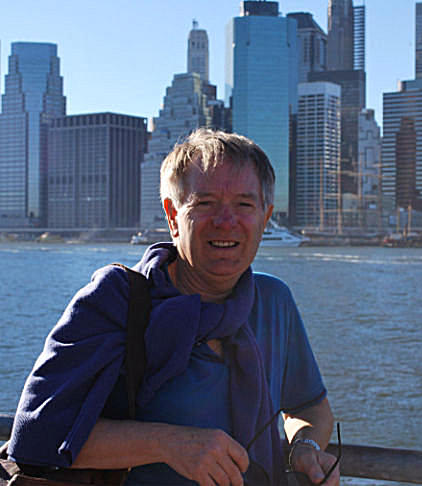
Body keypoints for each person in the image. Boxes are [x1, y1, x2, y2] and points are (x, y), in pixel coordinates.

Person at [8, 129, 339, 486]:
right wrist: (169, 444)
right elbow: (34, 436)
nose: (226, 221)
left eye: (244, 205)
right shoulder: (116, 298)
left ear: (265, 216)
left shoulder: (274, 301)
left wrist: (304, 447)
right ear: (172, 216)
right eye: (205, 203)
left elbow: (310, 407)